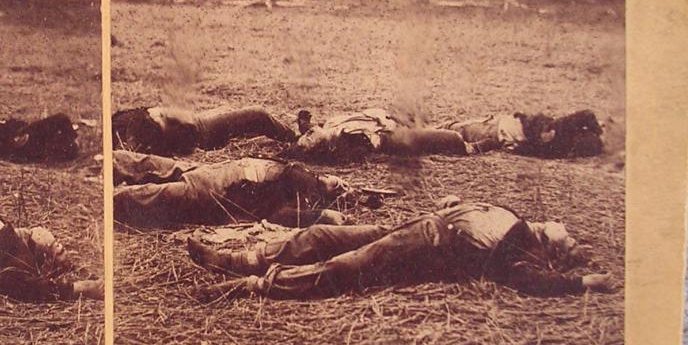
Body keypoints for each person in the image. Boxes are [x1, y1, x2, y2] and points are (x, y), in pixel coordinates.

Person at [187, 196, 616, 300]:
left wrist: (581, 282)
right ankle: (234, 259)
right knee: (322, 237)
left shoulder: (520, 251)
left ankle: (251, 285)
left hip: (424, 247)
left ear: (552, 250)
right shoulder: (514, 216)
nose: (568, 232)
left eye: (570, 242)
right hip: (412, 225)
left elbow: (531, 282)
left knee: (343, 266)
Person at [113, 150, 349, 228]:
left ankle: (108, 200)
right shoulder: (307, 175)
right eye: (338, 181)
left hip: (217, 189)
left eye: (337, 188)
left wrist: (321, 215)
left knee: (157, 194)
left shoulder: (306, 194)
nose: (337, 182)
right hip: (220, 171)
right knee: (154, 165)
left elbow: (279, 216)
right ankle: (111, 160)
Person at [285, 108, 497, 162]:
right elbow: (369, 145)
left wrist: (306, 125)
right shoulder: (342, 142)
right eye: (309, 141)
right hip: (392, 136)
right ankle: (478, 146)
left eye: (306, 135)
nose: (309, 135)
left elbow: (311, 129)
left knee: (438, 125)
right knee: (451, 138)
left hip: (386, 118)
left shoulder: (328, 126)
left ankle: (457, 127)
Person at [113, 106, 296, 156]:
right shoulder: (154, 128)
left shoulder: (124, 125)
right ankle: (296, 138)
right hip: (200, 129)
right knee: (258, 114)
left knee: (239, 115)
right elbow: (189, 129)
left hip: (196, 124)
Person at [441, 109, 604, 158]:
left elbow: (525, 149)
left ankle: (442, 127)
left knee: (460, 131)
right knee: (458, 129)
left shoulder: (556, 150)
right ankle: (442, 127)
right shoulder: (559, 128)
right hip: (501, 127)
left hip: (500, 132)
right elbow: (587, 114)